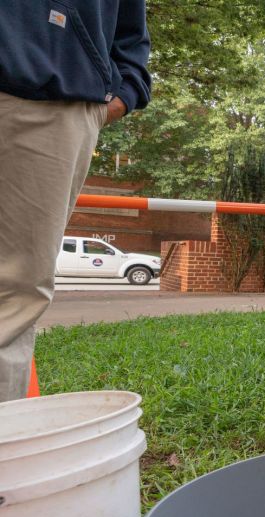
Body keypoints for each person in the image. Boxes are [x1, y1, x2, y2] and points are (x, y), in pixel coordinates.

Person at [0, 1, 152, 401]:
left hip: (51, 98)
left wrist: (124, 93)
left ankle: (6, 451)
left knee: (12, 291)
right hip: (48, 91)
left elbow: (131, 32)